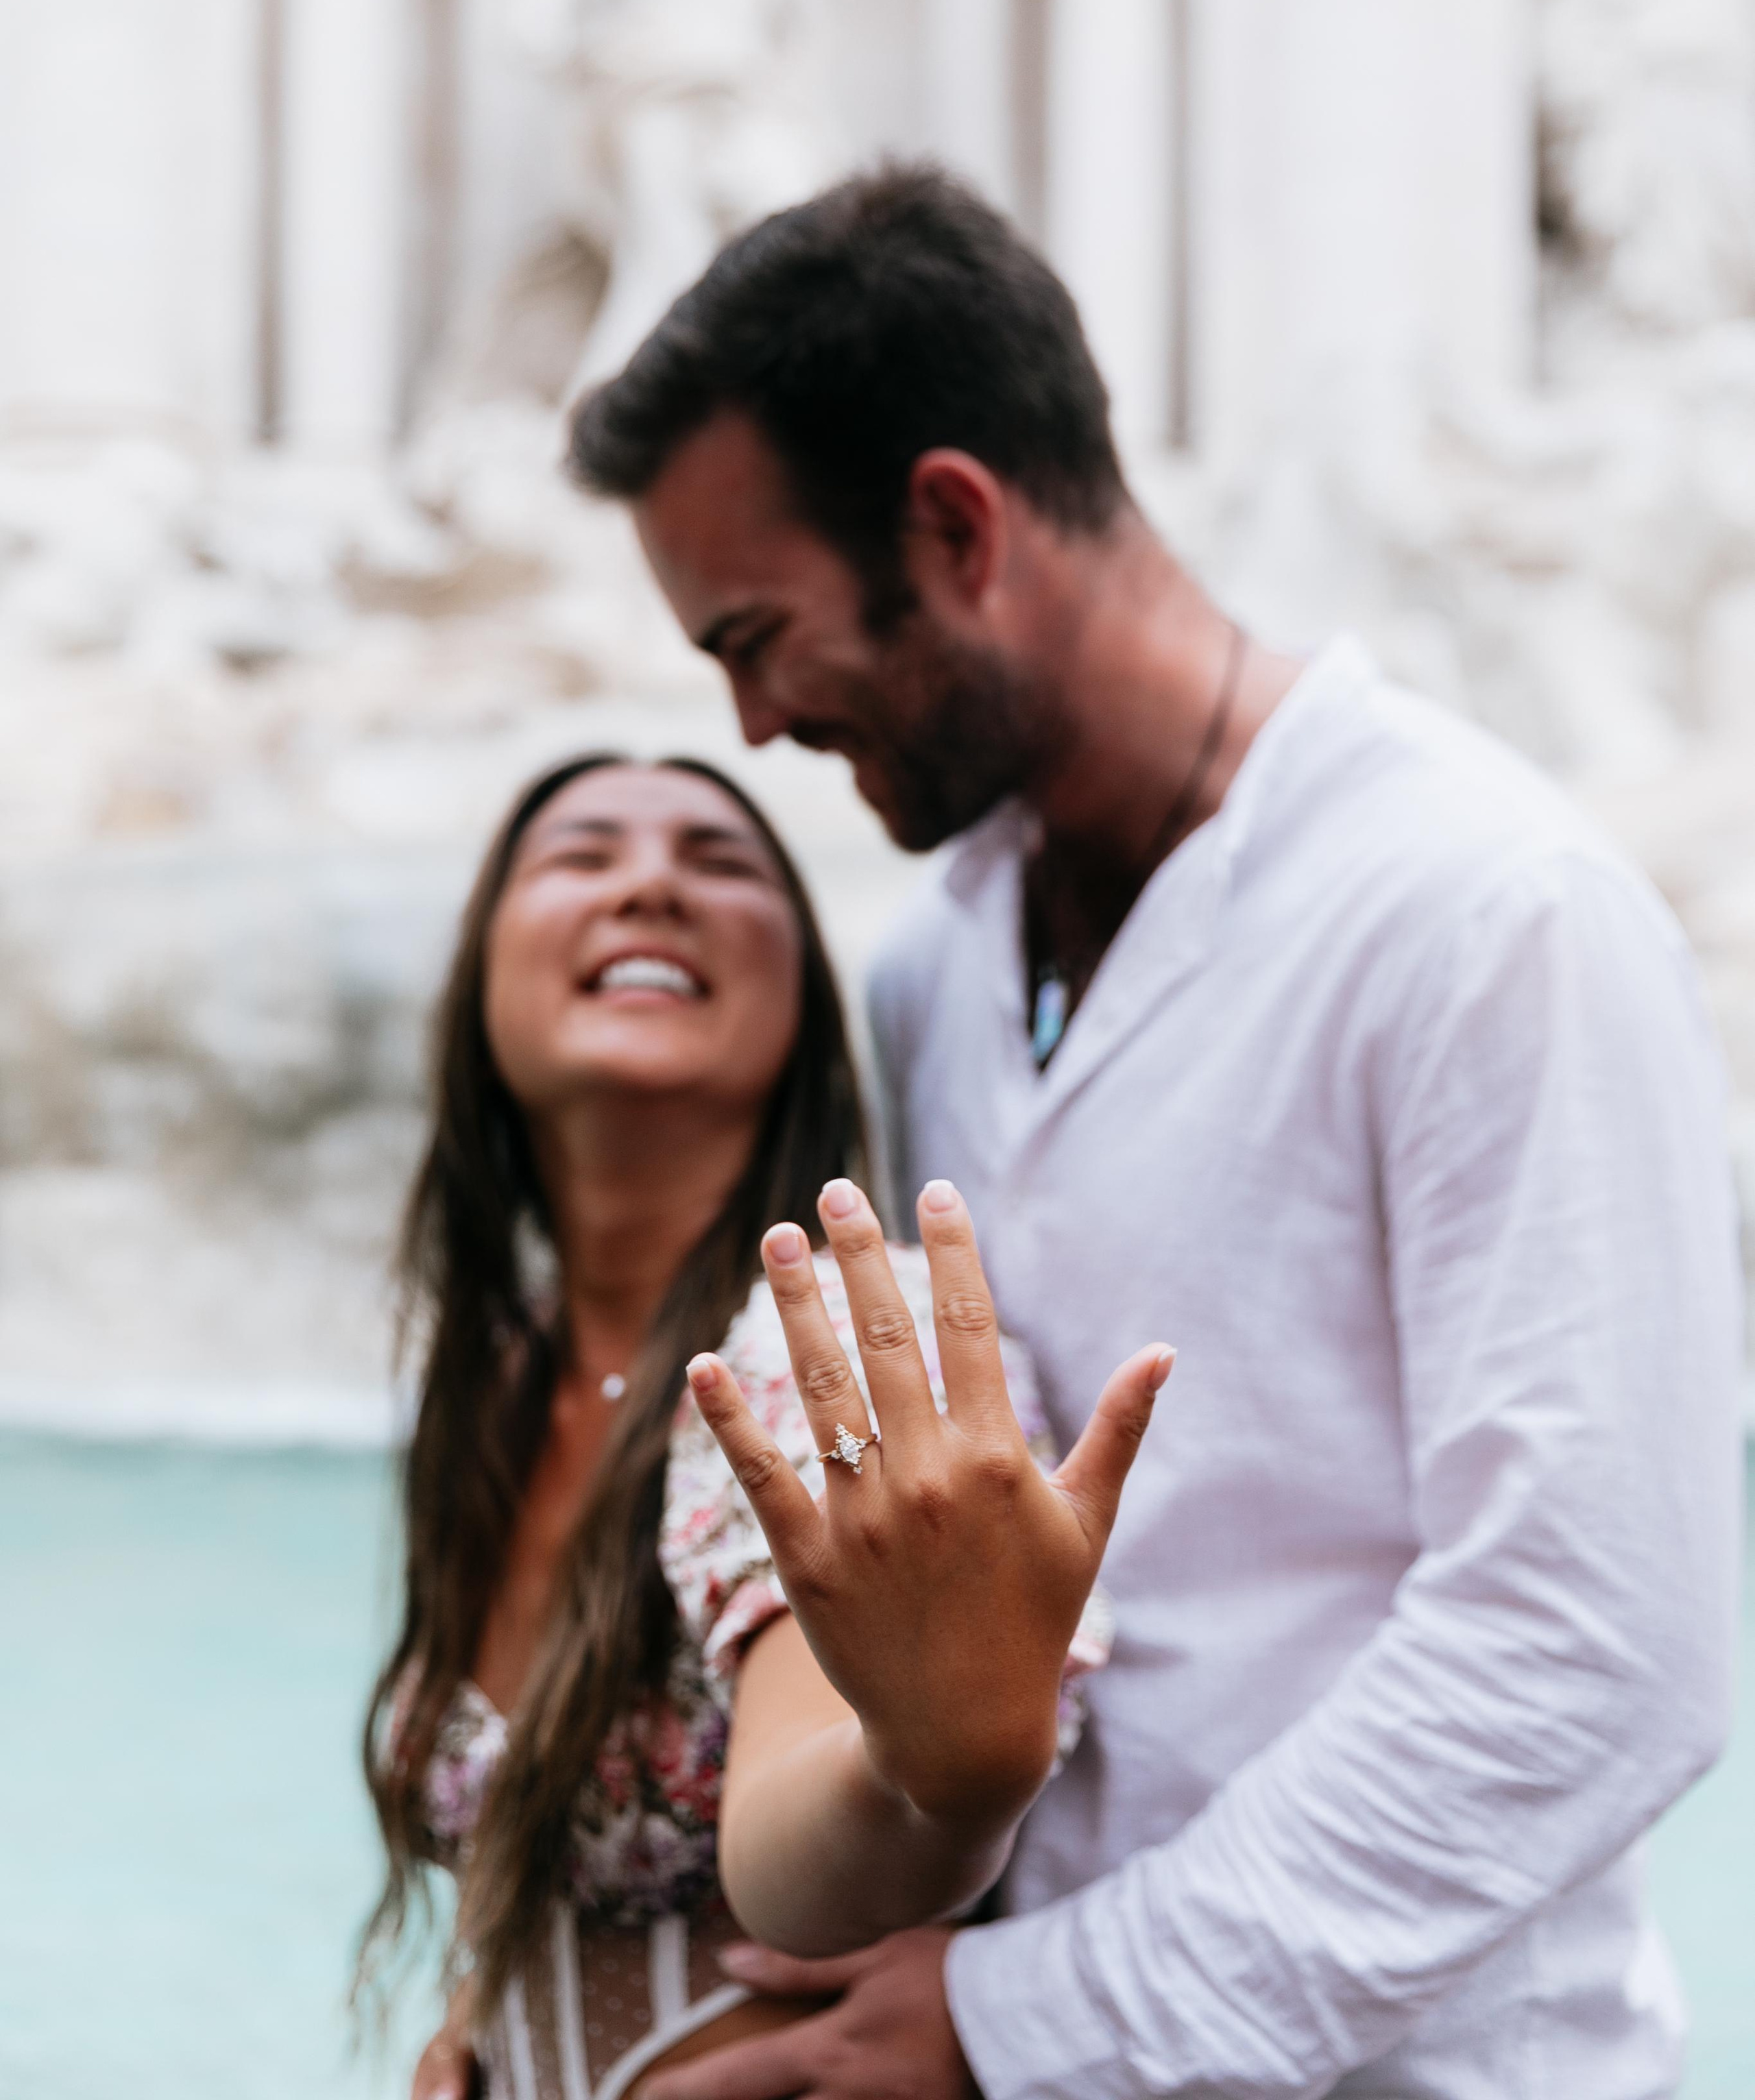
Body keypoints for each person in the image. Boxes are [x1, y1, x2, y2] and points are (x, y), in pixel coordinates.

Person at [568, 164, 1745, 2100]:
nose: (756, 723)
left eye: (756, 636)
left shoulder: (1487, 913)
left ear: (955, 526)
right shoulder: (934, 969)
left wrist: (1027, 2026)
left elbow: (1596, 1649)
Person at [360, 750, 1165, 2100]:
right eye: (582, 854)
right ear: (481, 982)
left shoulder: (843, 1344)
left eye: (720, 862)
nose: (650, 885)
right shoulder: (498, 1377)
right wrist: (479, 2014)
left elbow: (798, 1854)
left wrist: (932, 1778)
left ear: (802, 1004)